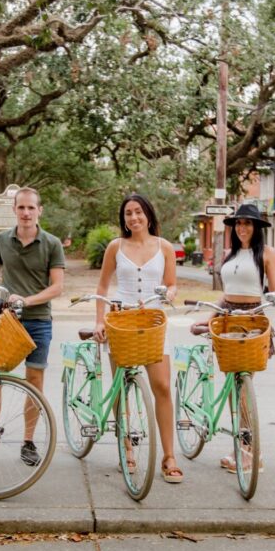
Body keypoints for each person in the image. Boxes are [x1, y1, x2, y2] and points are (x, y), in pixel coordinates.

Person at [0, 187, 65, 466]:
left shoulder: (52, 243)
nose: (26, 213)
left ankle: (28, 442)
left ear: (39, 210)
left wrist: (26, 301)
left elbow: (57, 287)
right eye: (21, 207)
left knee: (34, 381)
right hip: (7, 320)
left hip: (38, 320)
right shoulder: (2, 240)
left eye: (31, 208)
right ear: (14, 210)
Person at [93, 194, 182, 483]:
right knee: (121, 387)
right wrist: (99, 321)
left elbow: (172, 284)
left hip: (154, 322)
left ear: (148, 215)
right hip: (120, 320)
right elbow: (102, 287)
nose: (134, 218)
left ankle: (169, 456)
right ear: (124, 219)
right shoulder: (115, 247)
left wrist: (168, 294)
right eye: (128, 213)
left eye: (138, 212)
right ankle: (126, 447)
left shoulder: (164, 247)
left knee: (163, 386)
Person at [211, 203, 275, 474]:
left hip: (253, 318)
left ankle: (250, 451)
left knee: (243, 387)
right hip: (227, 318)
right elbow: (227, 294)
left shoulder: (266, 253)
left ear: (256, 227)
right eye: (238, 223)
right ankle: (240, 448)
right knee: (233, 387)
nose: (242, 227)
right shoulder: (229, 254)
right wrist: (209, 316)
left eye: (248, 223)